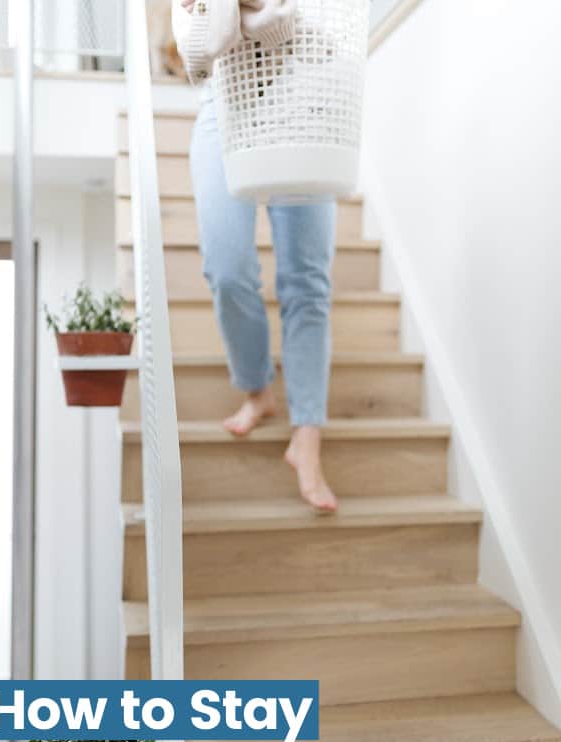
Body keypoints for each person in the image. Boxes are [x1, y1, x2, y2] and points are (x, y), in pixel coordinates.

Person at [173, 0, 338, 513]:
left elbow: (300, 22)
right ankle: (257, 388)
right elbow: (196, 47)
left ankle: (307, 437)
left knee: (306, 283)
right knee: (226, 268)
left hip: (307, 99)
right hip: (226, 102)